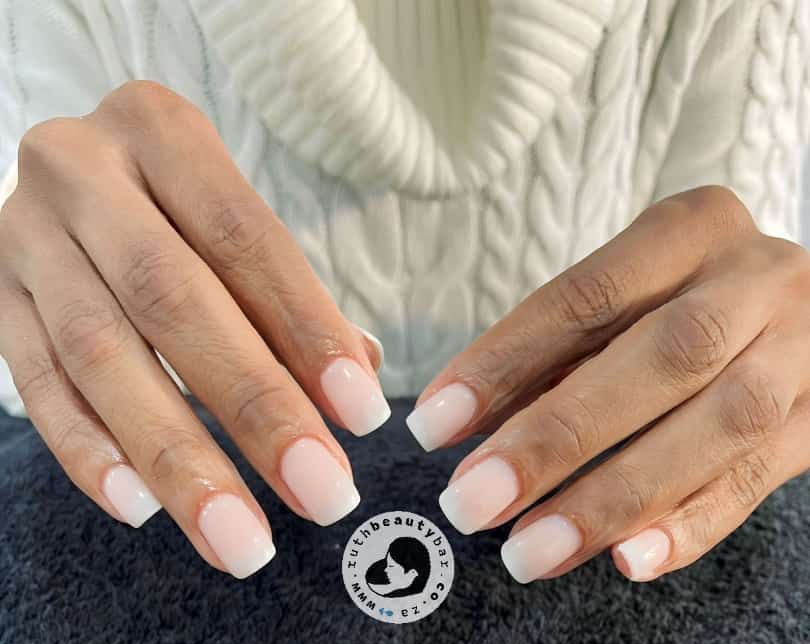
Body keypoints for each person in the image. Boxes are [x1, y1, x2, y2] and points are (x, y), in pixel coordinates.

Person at [0, 0, 808, 583]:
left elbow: (740, 304)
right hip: (174, 578)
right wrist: (33, 284)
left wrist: (771, 328)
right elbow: (41, 318)